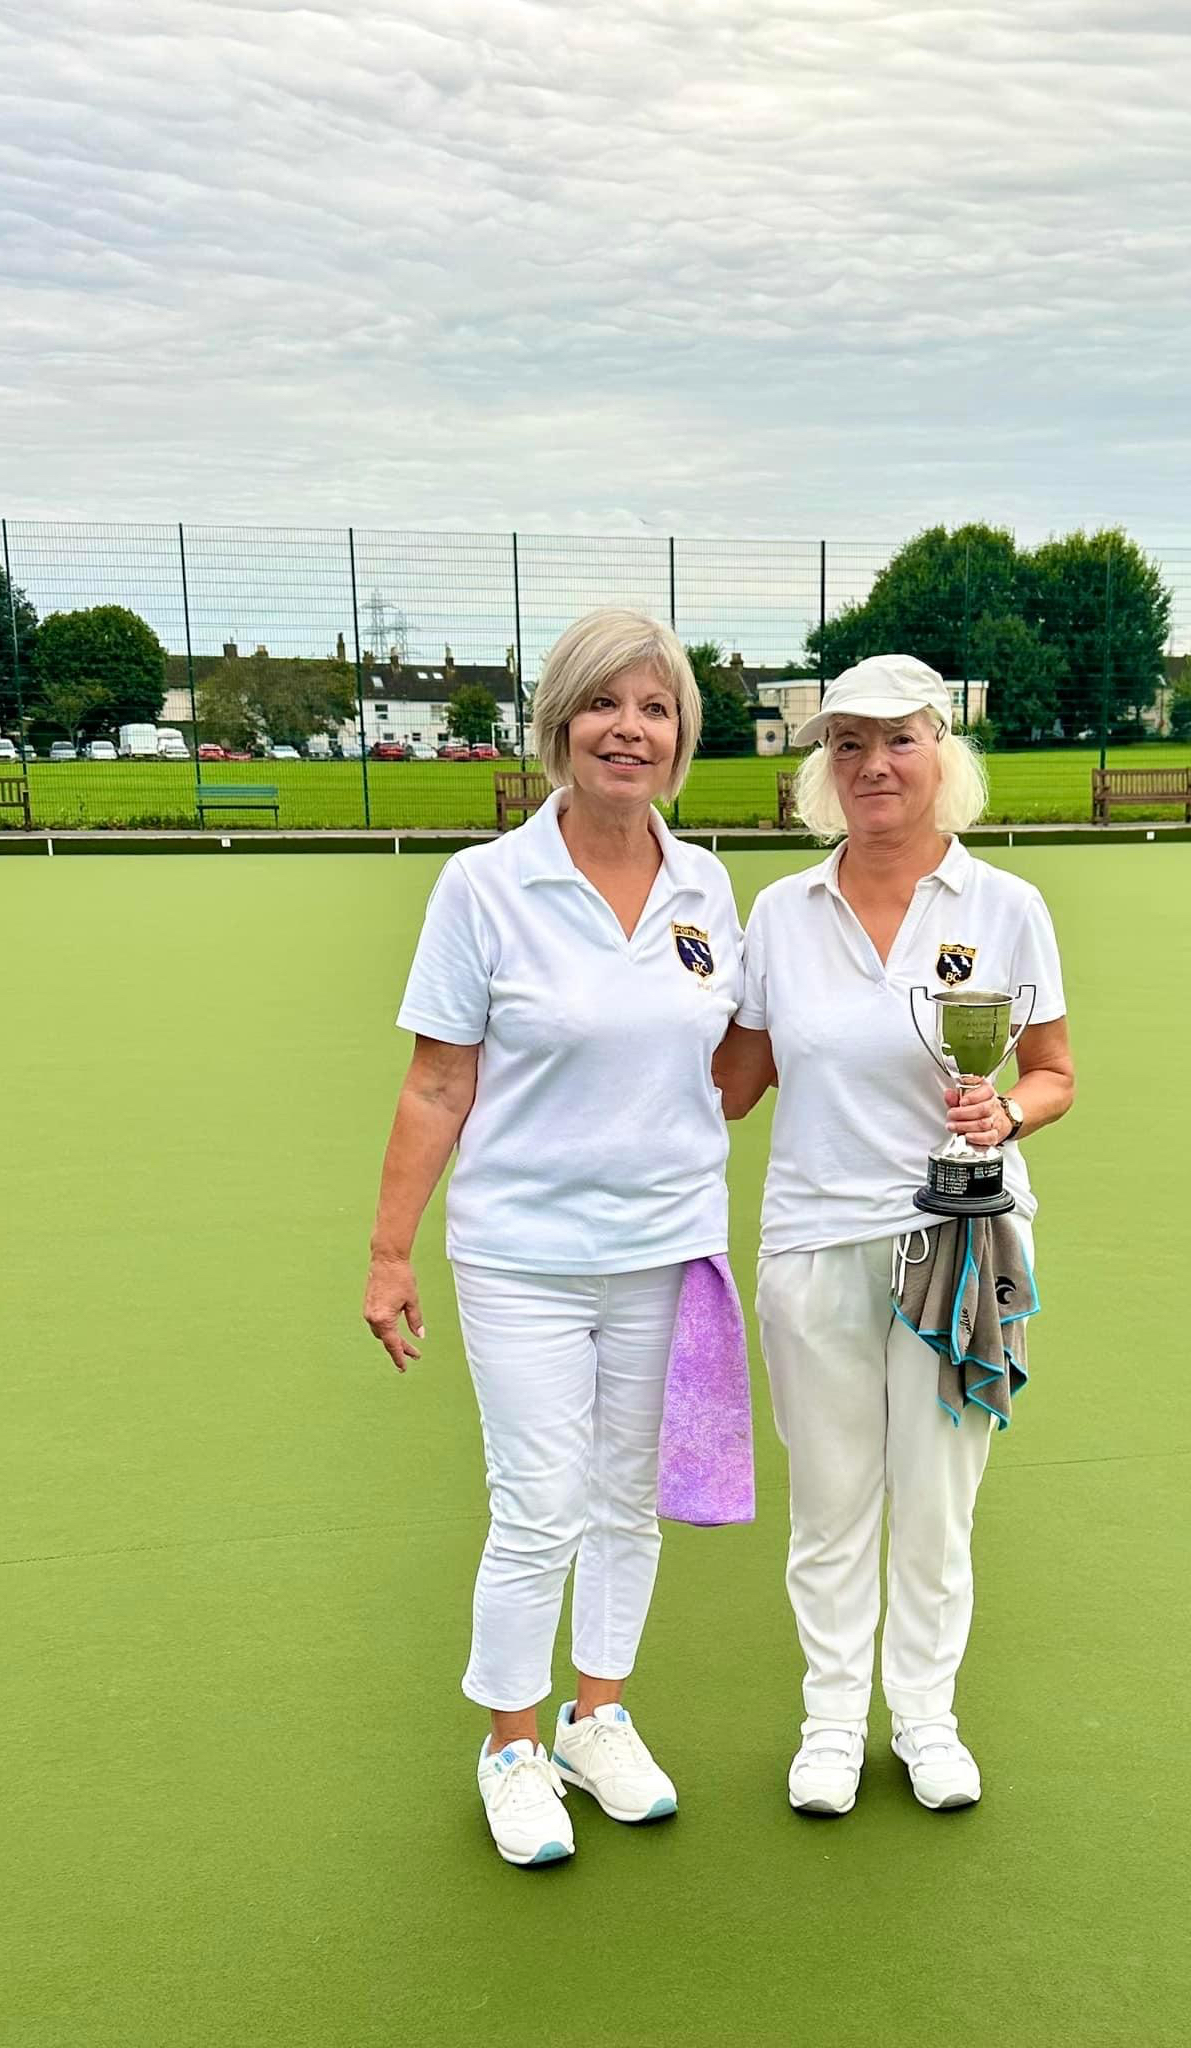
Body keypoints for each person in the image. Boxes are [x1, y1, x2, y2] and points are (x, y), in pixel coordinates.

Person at [364, 609, 742, 1867]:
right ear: (559, 725)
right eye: (604, 705)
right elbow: (436, 1085)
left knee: (627, 1500)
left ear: (681, 737)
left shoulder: (706, 885)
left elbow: (728, 1058)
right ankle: (512, 1745)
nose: (628, 730)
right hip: (522, 1248)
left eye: (655, 709)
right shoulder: (482, 883)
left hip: (667, 1244)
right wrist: (386, 1251)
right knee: (539, 1504)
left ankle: (601, 1716)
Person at [713, 654, 1075, 1816]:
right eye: (847, 744)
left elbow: (1054, 1071)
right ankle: (829, 1722)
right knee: (830, 1497)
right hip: (814, 1239)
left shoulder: (1005, 907)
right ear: (823, 767)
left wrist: (1007, 1108)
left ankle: (924, 1718)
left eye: (898, 739)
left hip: (960, 1233)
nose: (873, 763)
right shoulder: (779, 911)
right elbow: (732, 1078)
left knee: (934, 1499)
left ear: (940, 752)